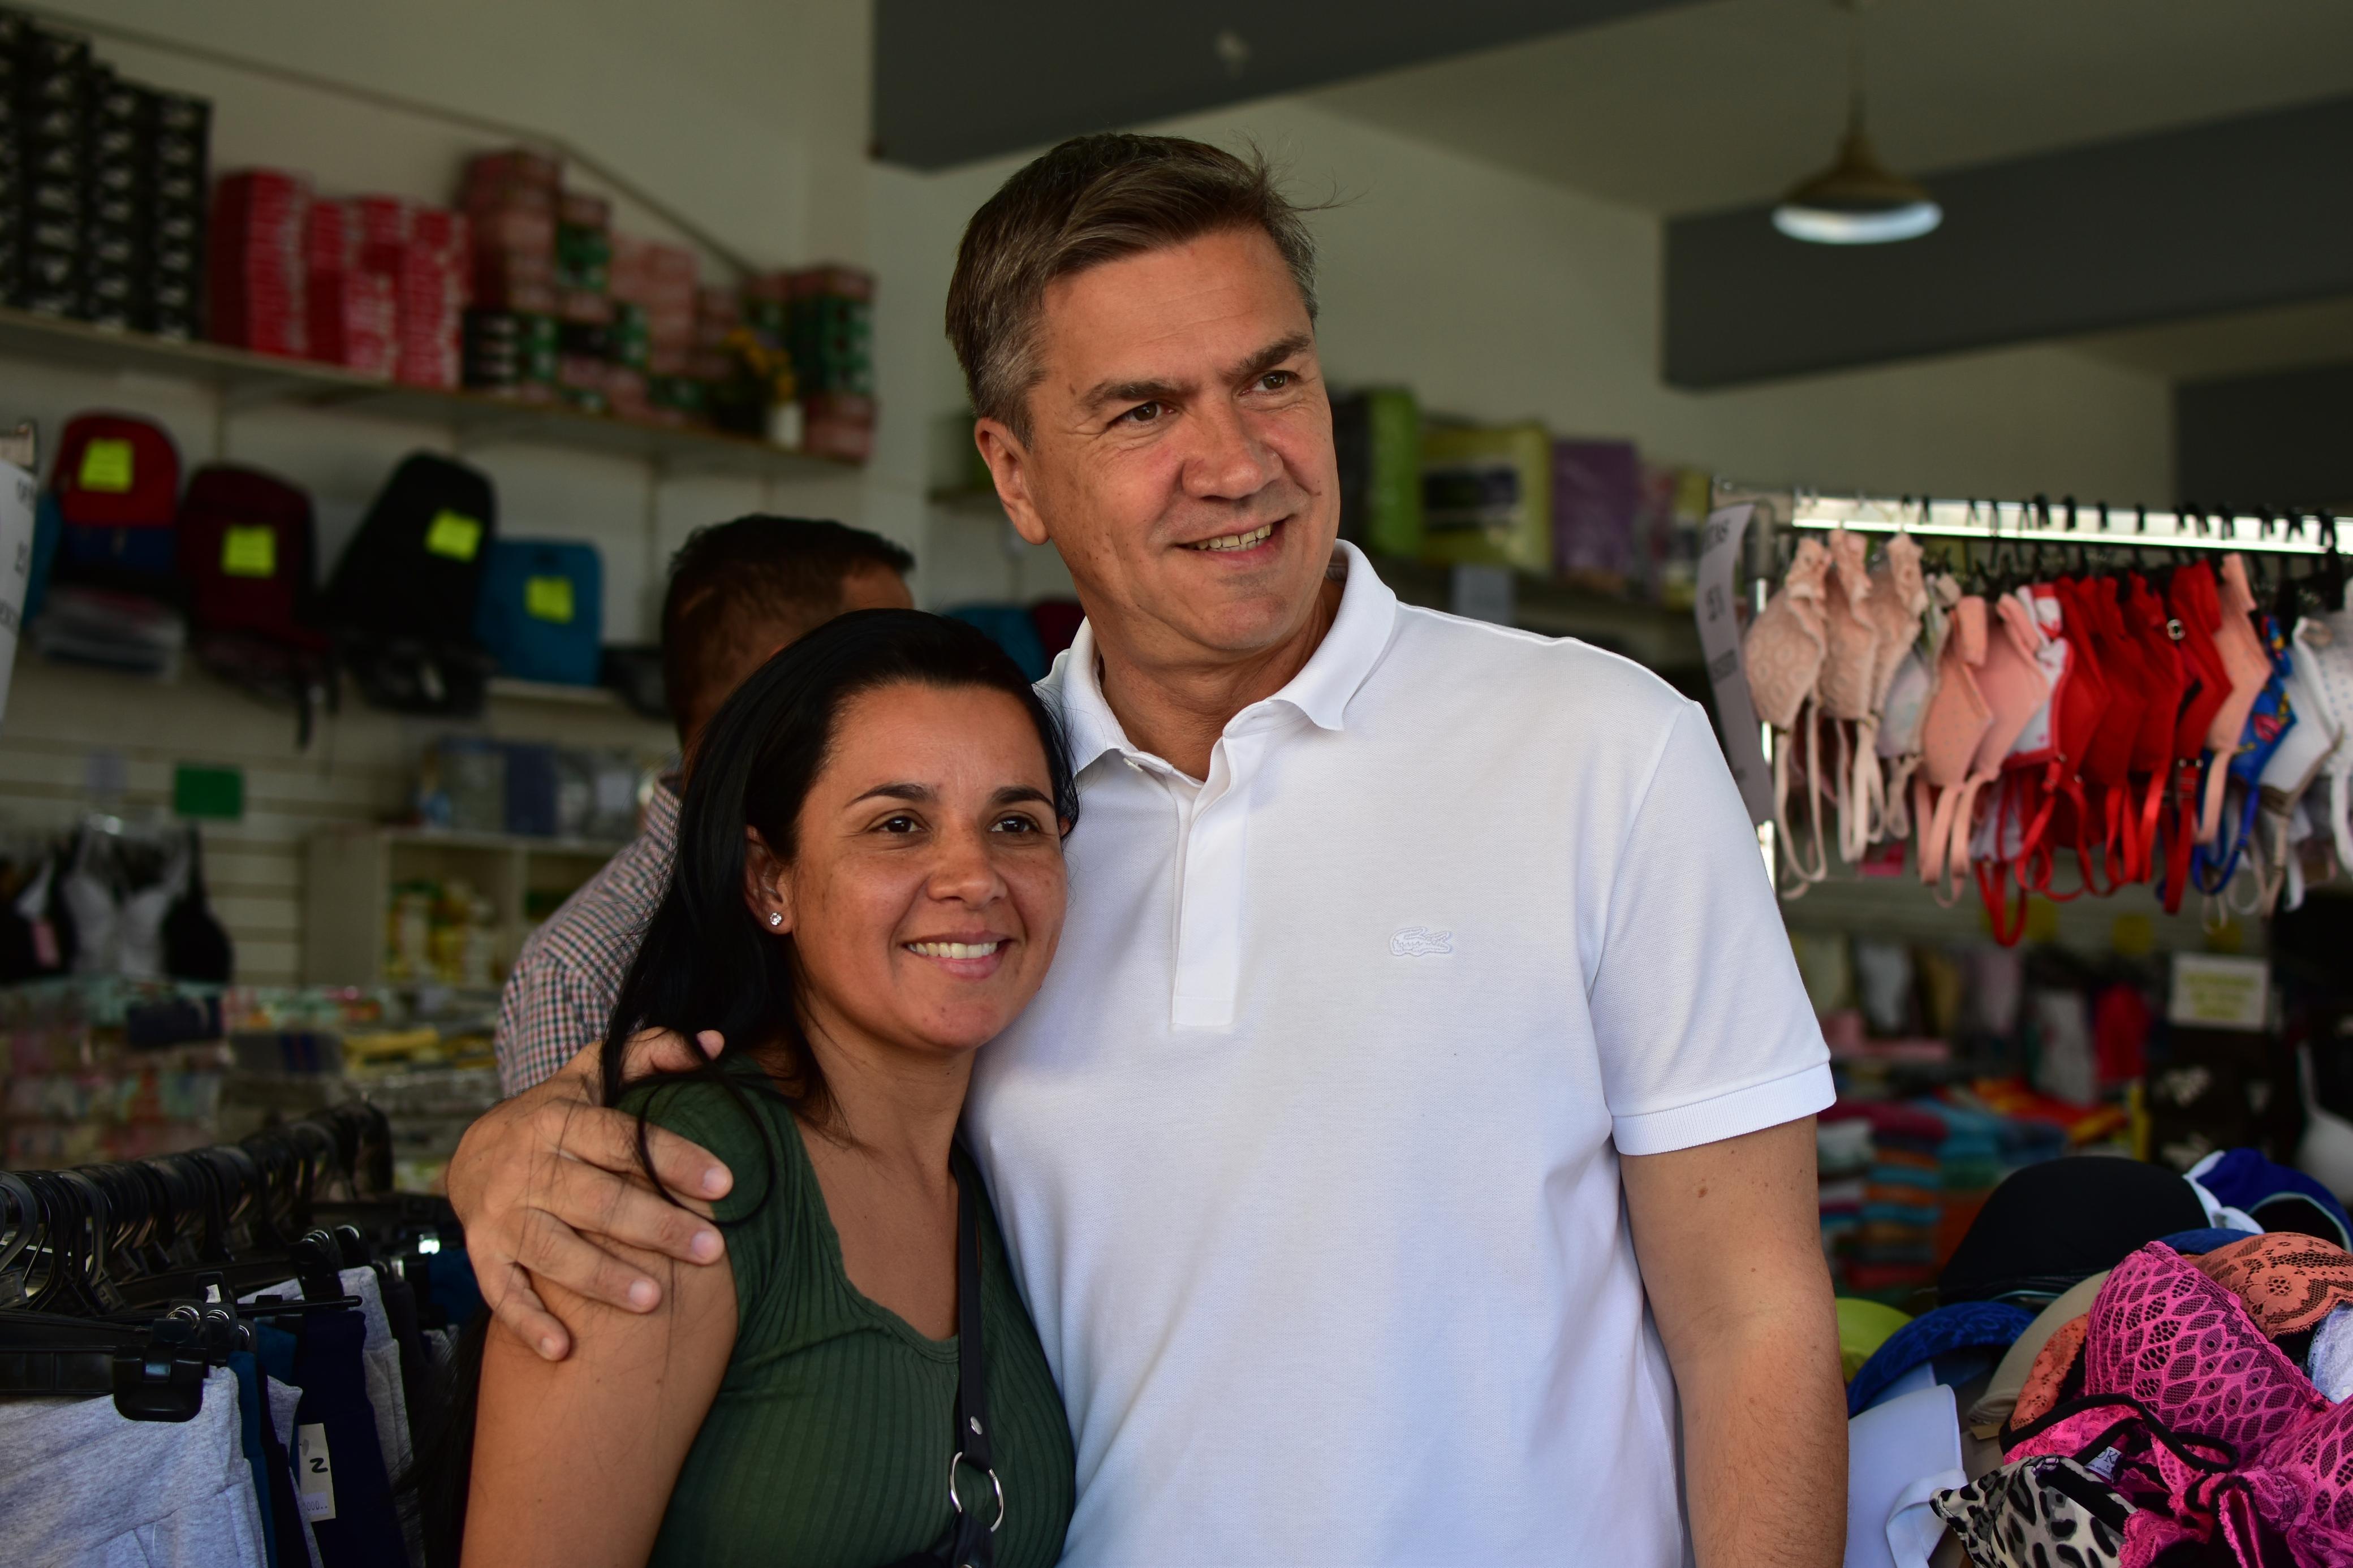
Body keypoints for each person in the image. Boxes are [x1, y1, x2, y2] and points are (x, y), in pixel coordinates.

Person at [449, 134, 1847, 1566]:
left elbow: (1754, 1317)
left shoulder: (1602, 748)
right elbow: (702, 1083)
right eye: (1142, 409)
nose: (1236, 465)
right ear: (1016, 475)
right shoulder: (981, 843)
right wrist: (496, 1154)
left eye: (1272, 379)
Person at [464, 609, 1080, 1567]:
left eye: (1015, 824)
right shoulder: (678, 1178)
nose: (974, 876)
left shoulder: (1009, 1174)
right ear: (769, 880)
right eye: (899, 825)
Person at [495, 514, 913, 1096]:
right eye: (890, 663)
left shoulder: (903, 890)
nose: (920, 688)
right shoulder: (584, 968)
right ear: (786, 681)